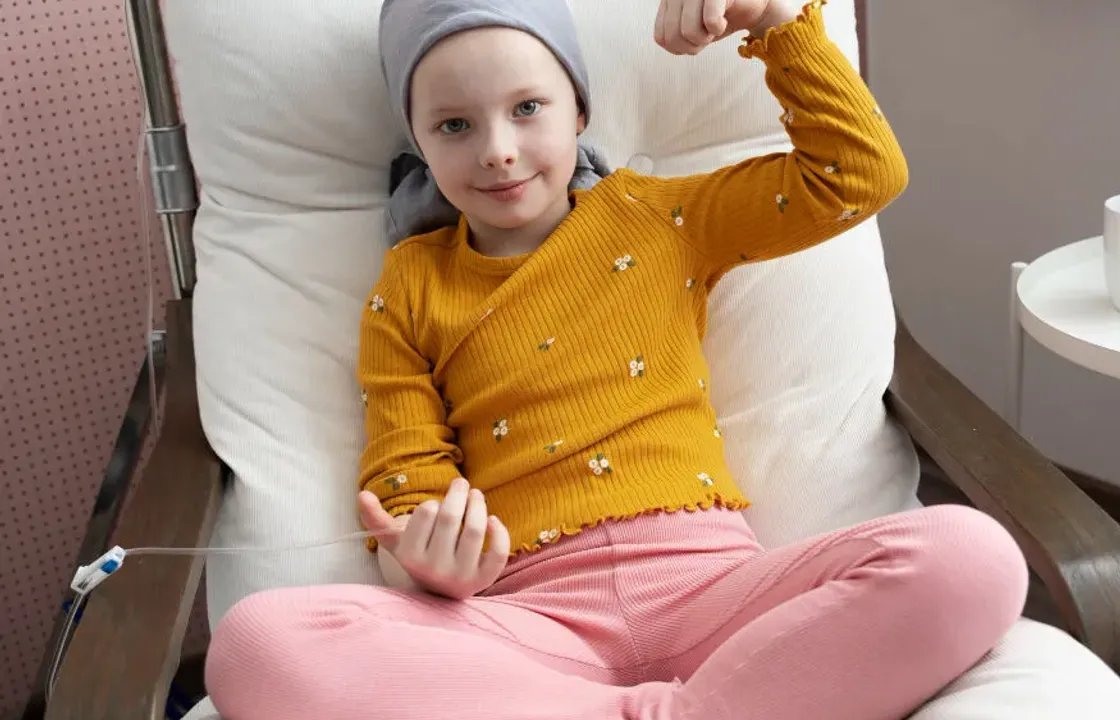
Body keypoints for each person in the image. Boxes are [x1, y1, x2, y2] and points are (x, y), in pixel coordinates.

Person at [204, 0, 1029, 718]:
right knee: (255, 645)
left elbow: (857, 175)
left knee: (973, 554)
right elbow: (405, 482)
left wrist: (779, 24)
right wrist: (419, 561)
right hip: (528, 628)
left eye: (528, 108)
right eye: (454, 125)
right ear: (418, 139)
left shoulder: (661, 218)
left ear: (579, 111)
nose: (497, 149)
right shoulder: (409, 287)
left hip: (716, 594)